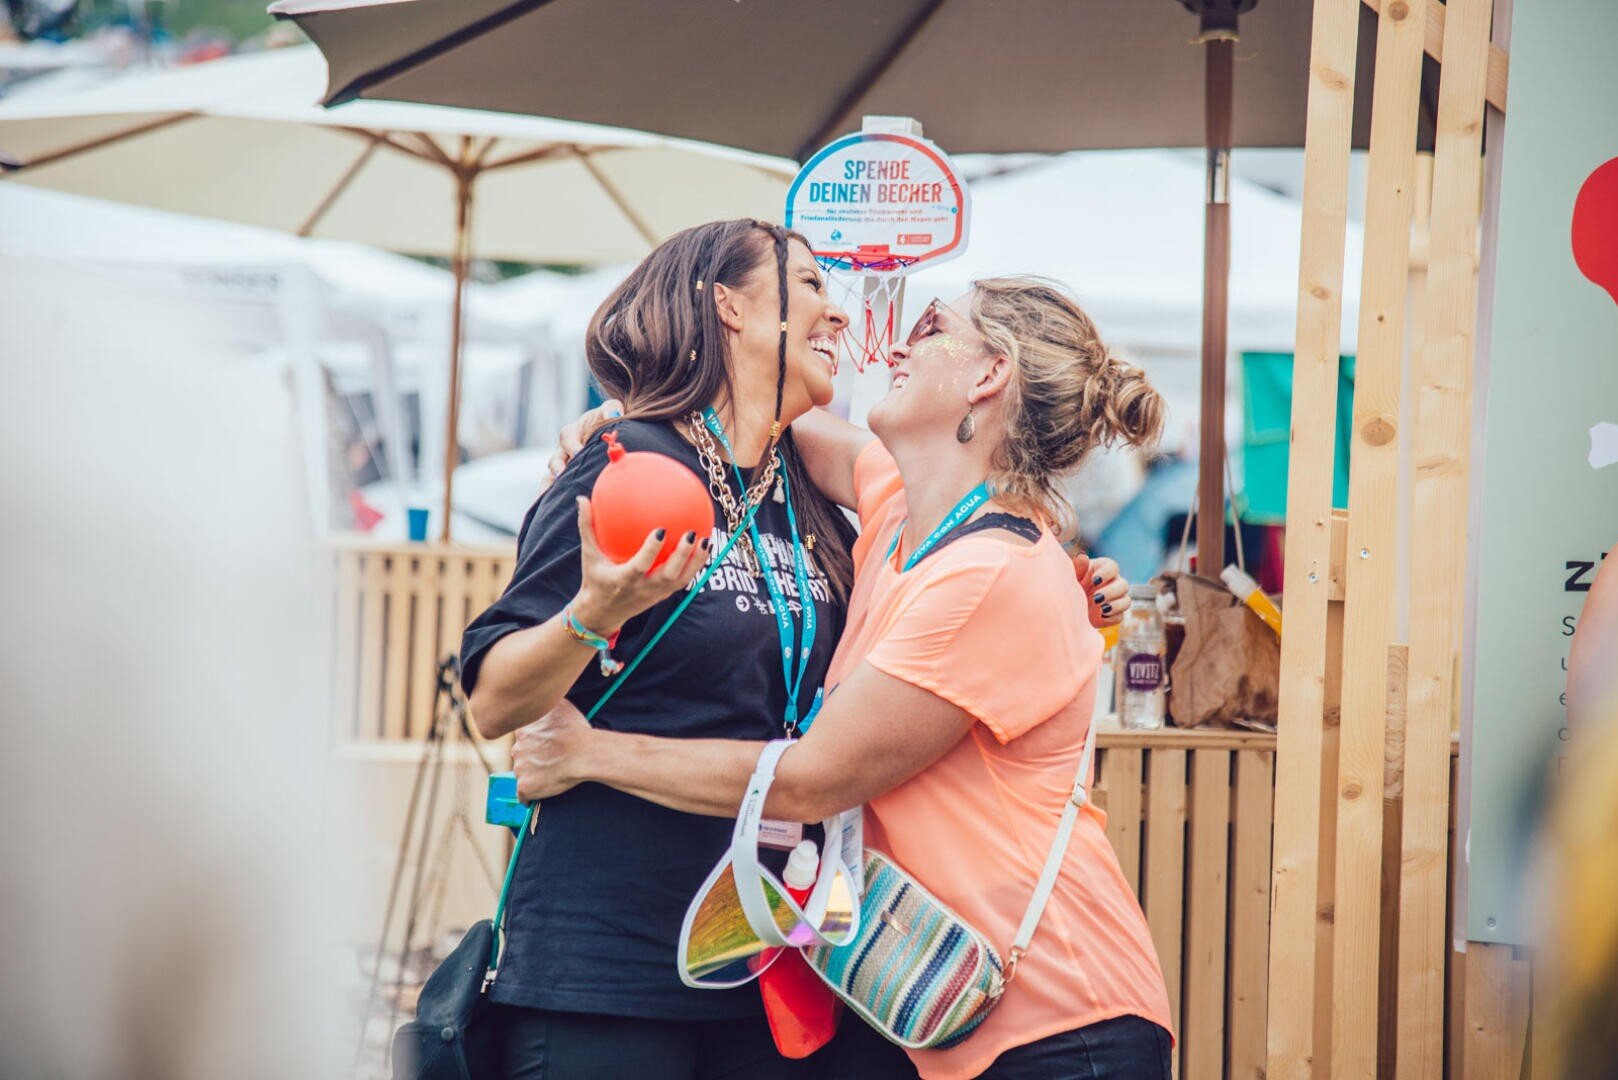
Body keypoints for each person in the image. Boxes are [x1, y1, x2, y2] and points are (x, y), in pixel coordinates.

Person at [459, 220, 1128, 1079]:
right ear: (729, 307)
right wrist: (591, 612)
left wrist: (1069, 567)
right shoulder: (633, 468)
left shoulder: (806, 494)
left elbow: (981, 504)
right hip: (608, 964)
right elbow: (491, 699)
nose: (841, 315)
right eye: (811, 285)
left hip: (768, 968)